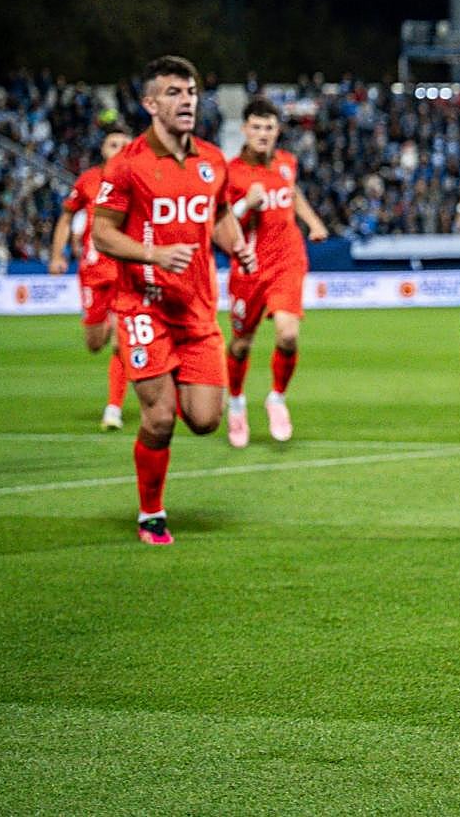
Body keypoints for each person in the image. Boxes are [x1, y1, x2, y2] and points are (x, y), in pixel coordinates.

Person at [92, 55, 255, 545]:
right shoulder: (126, 167)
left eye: (190, 92)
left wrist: (237, 245)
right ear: (149, 104)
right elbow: (102, 235)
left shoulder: (212, 161)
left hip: (197, 308)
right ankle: (151, 514)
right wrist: (154, 254)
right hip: (142, 306)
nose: (186, 101)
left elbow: (219, 212)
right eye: (173, 93)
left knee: (205, 419)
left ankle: (169, 384)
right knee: (160, 418)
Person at [223, 97, 328, 447]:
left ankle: (276, 398)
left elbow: (292, 193)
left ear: (277, 130)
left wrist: (312, 222)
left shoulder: (286, 162)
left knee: (287, 336)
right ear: (245, 129)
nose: (263, 134)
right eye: (256, 127)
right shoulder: (231, 172)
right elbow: (217, 223)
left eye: (269, 127)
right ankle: (236, 403)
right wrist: (244, 205)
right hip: (249, 267)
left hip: (287, 259)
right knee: (240, 345)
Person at [48, 125, 132, 430]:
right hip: (93, 273)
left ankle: (114, 408)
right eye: (114, 144)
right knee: (95, 342)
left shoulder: (138, 181)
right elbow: (67, 215)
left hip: (126, 270)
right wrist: (58, 254)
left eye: (125, 143)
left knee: (122, 343)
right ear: (103, 149)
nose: (120, 148)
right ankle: (111, 332)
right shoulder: (89, 181)